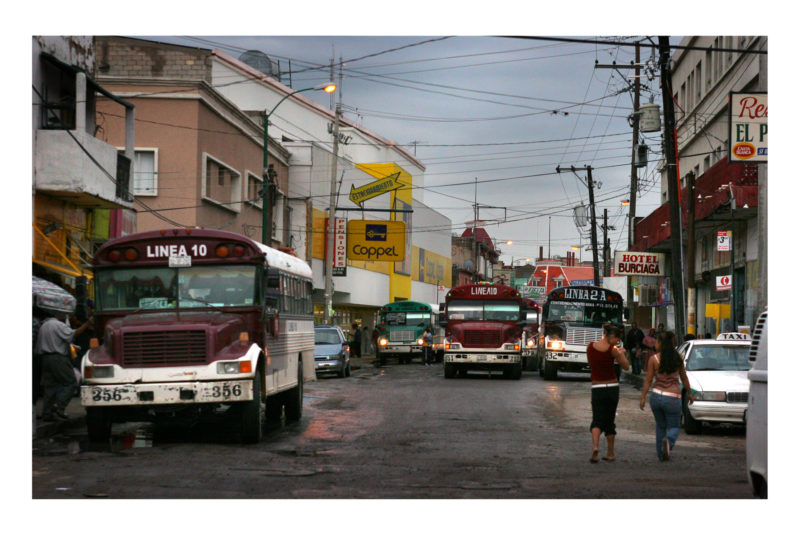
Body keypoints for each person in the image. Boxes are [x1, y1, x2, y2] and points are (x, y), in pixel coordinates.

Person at [639, 331, 695, 461]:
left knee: (660, 425)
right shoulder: (677, 359)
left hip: (656, 396)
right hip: (672, 397)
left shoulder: (654, 359)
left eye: (657, 342)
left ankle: (661, 454)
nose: (655, 344)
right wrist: (690, 395)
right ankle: (669, 442)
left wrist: (643, 397)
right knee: (674, 426)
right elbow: (684, 378)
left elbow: (648, 380)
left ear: (661, 344)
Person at [35, 310, 93, 421]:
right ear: (59, 315)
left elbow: (59, 340)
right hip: (58, 358)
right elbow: (73, 334)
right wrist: (87, 324)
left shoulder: (45, 325)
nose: (68, 317)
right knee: (71, 382)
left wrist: (72, 346)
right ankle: (59, 407)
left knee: (50, 387)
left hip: (45, 358)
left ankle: (47, 414)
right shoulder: (58, 325)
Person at [586, 323, 630, 463]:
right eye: (616, 340)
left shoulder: (590, 347)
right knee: (610, 420)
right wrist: (621, 353)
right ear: (611, 336)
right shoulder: (613, 350)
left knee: (597, 419)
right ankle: (610, 453)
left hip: (597, 387)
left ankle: (595, 447)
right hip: (612, 387)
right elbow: (626, 366)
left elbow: (593, 364)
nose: (617, 342)